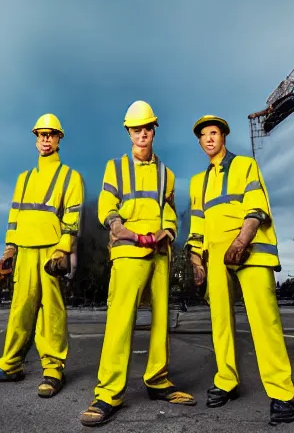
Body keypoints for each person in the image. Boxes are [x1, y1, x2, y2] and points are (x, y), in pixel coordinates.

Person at [80, 101, 196, 427]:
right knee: (120, 322)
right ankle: (108, 394)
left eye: (147, 128)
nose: (142, 134)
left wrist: (169, 231)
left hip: (159, 254)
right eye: (136, 129)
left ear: (154, 130)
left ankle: (157, 381)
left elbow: (170, 210)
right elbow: (107, 204)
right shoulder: (114, 168)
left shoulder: (166, 173)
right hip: (129, 251)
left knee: (161, 321)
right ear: (128, 132)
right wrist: (119, 228)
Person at [185, 114, 294, 425]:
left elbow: (257, 207)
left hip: (249, 250)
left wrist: (242, 240)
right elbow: (197, 224)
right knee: (220, 321)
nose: (209, 138)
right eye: (204, 135)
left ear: (223, 137)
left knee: (265, 321)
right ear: (199, 142)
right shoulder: (197, 182)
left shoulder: (245, 165)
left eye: (214, 133)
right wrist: (196, 262)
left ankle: (281, 393)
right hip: (215, 256)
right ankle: (226, 381)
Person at [0, 113, 85, 398]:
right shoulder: (23, 179)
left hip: (50, 250)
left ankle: (53, 368)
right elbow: (14, 218)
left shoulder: (70, 177)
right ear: (36, 140)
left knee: (52, 312)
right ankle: (10, 365)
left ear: (59, 138)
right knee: (20, 308)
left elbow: (72, 218)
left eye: (50, 134)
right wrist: (10, 248)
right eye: (40, 135)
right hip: (24, 250)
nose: (45, 139)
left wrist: (63, 250)